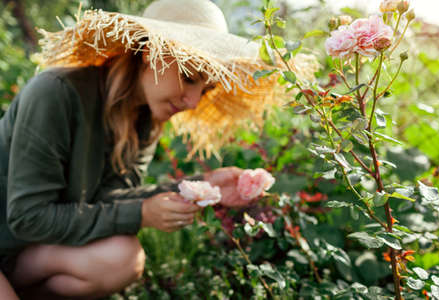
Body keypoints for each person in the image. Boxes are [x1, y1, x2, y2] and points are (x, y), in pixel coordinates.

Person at [0, 0, 315, 298]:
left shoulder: (143, 120)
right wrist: (140, 214)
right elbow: (28, 216)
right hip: (18, 238)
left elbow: (109, 200)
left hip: (27, 252)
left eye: (205, 89)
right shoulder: (57, 93)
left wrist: (199, 188)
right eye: (189, 78)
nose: (192, 102)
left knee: (123, 258)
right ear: (151, 52)